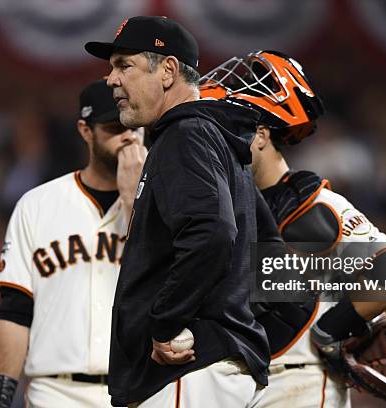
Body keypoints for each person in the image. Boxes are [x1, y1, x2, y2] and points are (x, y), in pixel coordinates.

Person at [201, 50, 386, 407]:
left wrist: (331, 328)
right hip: (236, 382)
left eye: (226, 133)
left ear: (261, 135)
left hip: (301, 380)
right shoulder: (223, 208)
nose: (216, 146)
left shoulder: (314, 204)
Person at [84, 16, 272, 408]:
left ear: (167, 71)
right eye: (110, 68)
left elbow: (212, 232)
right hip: (211, 369)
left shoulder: (184, 134)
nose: (111, 79)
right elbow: (269, 250)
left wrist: (167, 321)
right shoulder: (217, 140)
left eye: (124, 65)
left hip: (187, 370)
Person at [0, 80, 147, 408]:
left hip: (139, 392)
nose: (129, 137)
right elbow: (15, 314)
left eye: (134, 126)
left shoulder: (169, 206)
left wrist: (138, 200)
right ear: (85, 130)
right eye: (115, 127)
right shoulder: (38, 206)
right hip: (56, 393)